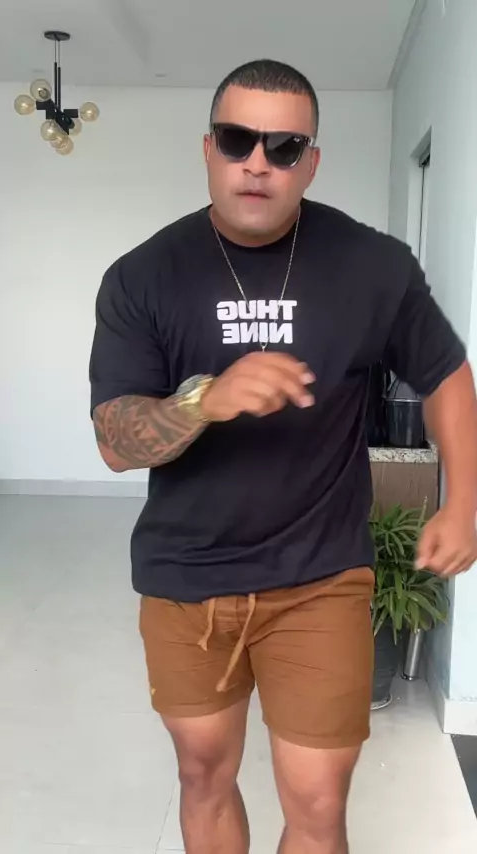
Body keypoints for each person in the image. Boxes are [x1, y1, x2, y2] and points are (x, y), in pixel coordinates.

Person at [89, 59, 477, 854]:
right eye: (237, 140)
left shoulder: (372, 265)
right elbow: (114, 440)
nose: (258, 162)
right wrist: (205, 400)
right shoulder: (143, 276)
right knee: (204, 774)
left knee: (319, 805)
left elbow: (445, 372)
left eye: (284, 145)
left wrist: (463, 501)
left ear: (312, 161)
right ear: (209, 150)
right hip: (187, 576)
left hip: (321, 576)